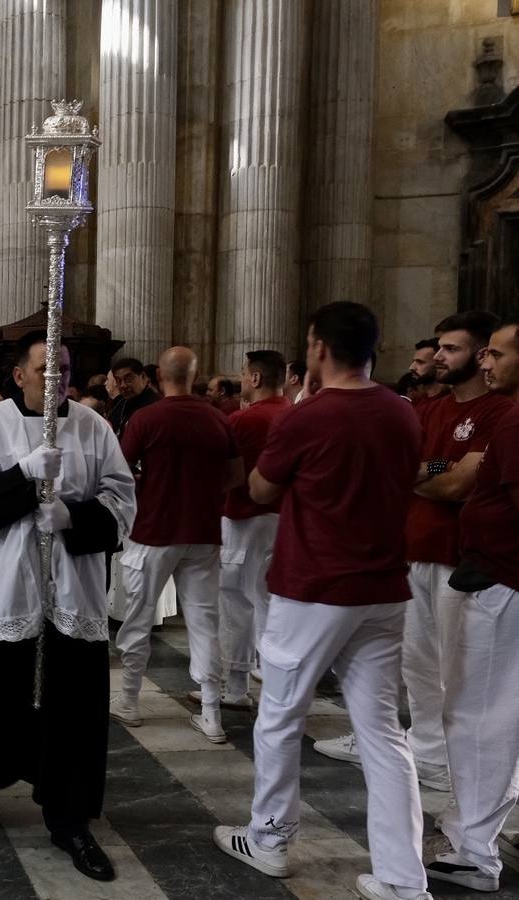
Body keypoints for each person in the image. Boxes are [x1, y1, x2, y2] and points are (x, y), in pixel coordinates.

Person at [213, 302, 428, 900]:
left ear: (317, 349)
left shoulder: (308, 418)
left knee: (280, 717)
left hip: (314, 587)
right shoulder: (402, 413)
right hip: (384, 587)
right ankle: (403, 880)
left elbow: (259, 489)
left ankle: (270, 839)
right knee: (383, 733)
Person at [0, 330, 135, 882]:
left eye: (62, 368)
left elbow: (123, 500)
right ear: (19, 375)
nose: (54, 379)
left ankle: (69, 817)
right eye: (43, 368)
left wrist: (75, 517)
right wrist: (25, 478)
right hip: (8, 587)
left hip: (72, 590)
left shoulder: (93, 426)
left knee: (73, 704)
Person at [313, 312, 510, 788]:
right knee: (416, 663)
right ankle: (429, 756)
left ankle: (467, 770)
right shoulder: (429, 409)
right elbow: (403, 465)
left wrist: (422, 473)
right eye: (438, 347)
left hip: (458, 555)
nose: (439, 356)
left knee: (457, 670)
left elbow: (460, 483)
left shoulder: (498, 412)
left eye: (452, 348)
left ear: (481, 355)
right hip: (413, 548)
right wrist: (429, 469)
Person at [111, 346, 244, 743]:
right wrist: (201, 494)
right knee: (205, 622)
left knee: (138, 615)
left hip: (155, 529)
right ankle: (211, 714)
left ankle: (129, 701)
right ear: (194, 374)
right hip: (203, 531)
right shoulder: (217, 418)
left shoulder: (147, 418)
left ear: (157, 376)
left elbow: (120, 471)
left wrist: (151, 488)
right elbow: (236, 476)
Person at [429, 320, 519, 893]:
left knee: (477, 718)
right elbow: (448, 470)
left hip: (501, 580)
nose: (487, 364)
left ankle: (475, 853)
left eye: (497, 354)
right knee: (489, 713)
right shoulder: (497, 415)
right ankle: (475, 828)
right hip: (494, 575)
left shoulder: (511, 421)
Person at [215, 351, 289, 706]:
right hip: (285, 521)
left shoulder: (244, 420)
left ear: (256, 378)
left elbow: (227, 474)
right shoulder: (295, 414)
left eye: (244, 374)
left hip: (245, 519)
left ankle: (237, 688)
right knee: (271, 604)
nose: (242, 379)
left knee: (237, 604)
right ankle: (278, 687)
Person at [106, 357, 159, 437]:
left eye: (128, 379)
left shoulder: (155, 404)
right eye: (118, 380)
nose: (123, 385)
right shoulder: (119, 401)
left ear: (143, 376)